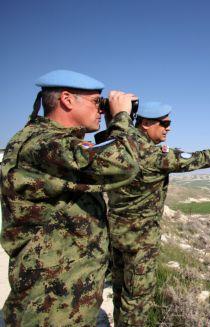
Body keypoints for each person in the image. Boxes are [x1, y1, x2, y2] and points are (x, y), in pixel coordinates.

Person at [0, 70, 140, 326]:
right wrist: (121, 119)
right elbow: (125, 165)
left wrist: (111, 125)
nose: (101, 109)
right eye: (97, 102)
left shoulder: (57, 145)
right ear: (66, 99)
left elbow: (99, 167)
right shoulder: (42, 144)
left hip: (66, 295)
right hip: (49, 305)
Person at [104, 101, 210, 326]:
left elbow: (119, 133)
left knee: (119, 290)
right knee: (136, 300)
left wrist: (119, 113)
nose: (169, 128)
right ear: (145, 124)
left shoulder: (117, 147)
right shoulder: (153, 157)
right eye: (164, 123)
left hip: (115, 234)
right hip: (140, 241)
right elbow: (200, 158)